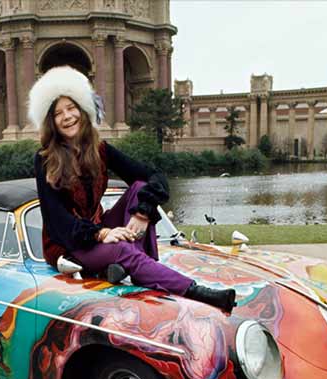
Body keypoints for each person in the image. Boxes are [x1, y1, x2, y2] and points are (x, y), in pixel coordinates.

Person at [28, 65, 236, 312]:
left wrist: (143, 211)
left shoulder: (101, 149)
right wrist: (102, 234)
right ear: (51, 122)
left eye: (71, 108)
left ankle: (135, 268)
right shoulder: (45, 158)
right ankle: (197, 292)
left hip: (98, 232)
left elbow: (154, 176)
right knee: (122, 249)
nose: (67, 116)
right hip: (68, 245)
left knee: (140, 186)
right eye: (58, 113)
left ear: (83, 110)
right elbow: (56, 221)